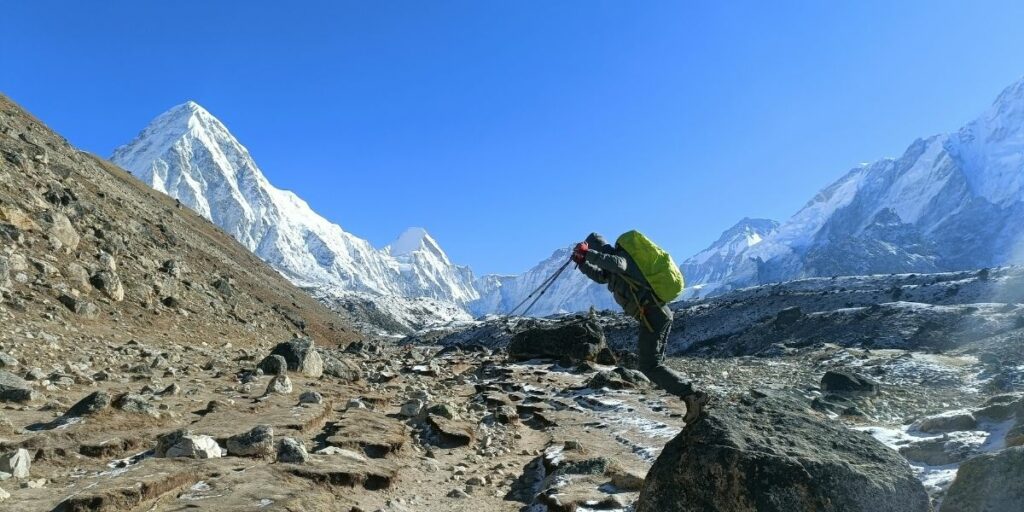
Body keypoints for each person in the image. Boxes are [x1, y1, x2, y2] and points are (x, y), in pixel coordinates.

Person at [572, 232, 709, 423]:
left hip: (653, 315)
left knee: (649, 365)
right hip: (655, 315)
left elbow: (616, 264)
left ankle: (692, 395)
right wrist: (581, 263)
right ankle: (691, 397)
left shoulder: (621, 258)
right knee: (654, 364)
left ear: (596, 247)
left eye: (591, 248)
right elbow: (601, 276)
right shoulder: (612, 266)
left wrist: (588, 254)